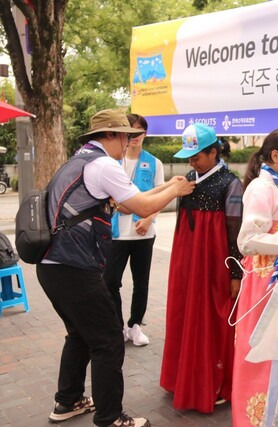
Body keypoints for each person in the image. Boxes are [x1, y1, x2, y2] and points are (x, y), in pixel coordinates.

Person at [36, 109, 194, 427]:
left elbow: (125, 202)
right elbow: (142, 208)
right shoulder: (103, 164)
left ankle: (67, 402)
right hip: (75, 268)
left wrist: (165, 188)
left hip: (52, 266)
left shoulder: (79, 161)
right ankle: (110, 417)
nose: (128, 142)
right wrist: (176, 191)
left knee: (79, 334)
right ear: (109, 135)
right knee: (108, 340)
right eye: (125, 136)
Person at [159, 123, 243, 413]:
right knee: (184, 314)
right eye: (189, 157)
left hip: (213, 262)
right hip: (186, 260)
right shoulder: (188, 178)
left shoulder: (230, 183)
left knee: (212, 317)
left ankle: (215, 383)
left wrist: (235, 272)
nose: (191, 161)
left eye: (197, 156)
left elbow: (235, 231)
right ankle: (181, 378)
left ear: (214, 152)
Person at [233, 128, 278, 426]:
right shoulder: (262, 189)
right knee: (264, 348)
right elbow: (247, 240)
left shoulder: (277, 185)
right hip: (266, 280)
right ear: (275, 155)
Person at [104, 114, 163, 346]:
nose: (135, 137)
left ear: (145, 135)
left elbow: (160, 195)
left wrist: (149, 218)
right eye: (131, 132)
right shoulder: (111, 162)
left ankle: (135, 325)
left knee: (142, 282)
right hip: (115, 234)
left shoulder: (154, 162)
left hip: (143, 234)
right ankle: (118, 326)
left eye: (139, 133)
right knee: (109, 282)